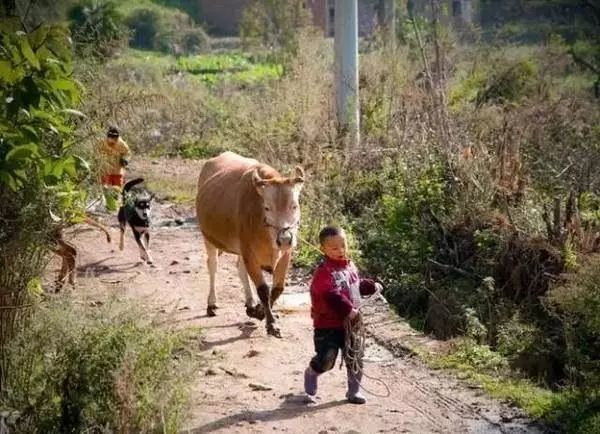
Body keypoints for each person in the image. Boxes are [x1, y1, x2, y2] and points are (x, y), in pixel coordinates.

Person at [303, 225, 378, 405]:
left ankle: (354, 392)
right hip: (327, 325)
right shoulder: (323, 272)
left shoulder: (350, 266)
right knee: (327, 359)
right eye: (334, 248)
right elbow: (331, 294)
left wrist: (371, 286)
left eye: (343, 245)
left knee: (355, 356)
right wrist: (348, 310)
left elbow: (355, 285)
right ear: (323, 249)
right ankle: (312, 372)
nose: (340, 250)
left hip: (351, 324)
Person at [99, 126, 130, 211]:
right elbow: (96, 153)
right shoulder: (102, 142)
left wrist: (125, 159)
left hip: (117, 169)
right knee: (105, 187)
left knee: (116, 188)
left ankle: (114, 205)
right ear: (107, 137)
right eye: (110, 139)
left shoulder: (122, 144)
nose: (112, 141)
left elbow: (127, 153)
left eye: (115, 139)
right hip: (105, 169)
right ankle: (107, 204)